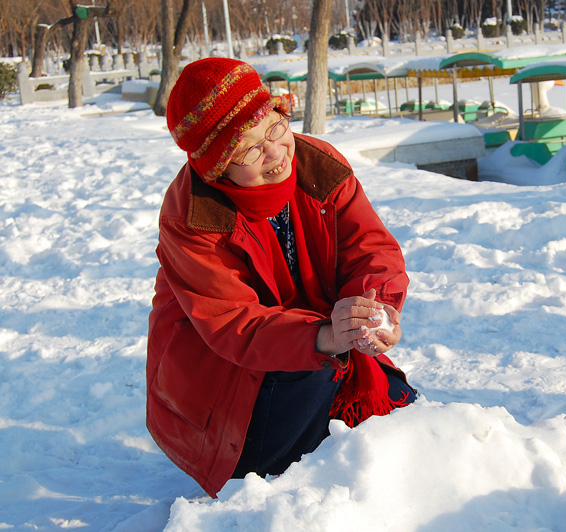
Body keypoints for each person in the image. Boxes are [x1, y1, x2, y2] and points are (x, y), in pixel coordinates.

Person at [146, 57, 416, 498]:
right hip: (226, 385)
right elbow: (234, 323)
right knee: (306, 446)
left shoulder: (318, 165)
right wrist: (327, 336)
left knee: (404, 422)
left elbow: (370, 249)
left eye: (274, 128)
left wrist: (371, 309)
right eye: (248, 150)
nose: (274, 153)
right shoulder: (191, 217)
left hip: (311, 341)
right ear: (218, 168)